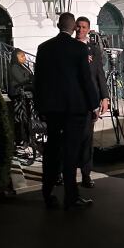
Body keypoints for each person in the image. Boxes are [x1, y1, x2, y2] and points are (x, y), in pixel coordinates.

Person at [34, 11, 99, 211]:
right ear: (72, 28)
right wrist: (93, 103)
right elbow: (86, 80)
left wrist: (39, 107)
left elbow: (38, 81)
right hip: (74, 109)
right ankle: (71, 198)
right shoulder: (78, 48)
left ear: (58, 25)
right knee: (71, 153)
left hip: (52, 109)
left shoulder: (44, 48)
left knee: (52, 150)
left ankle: (47, 193)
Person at [75, 16, 110, 189]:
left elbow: (99, 74)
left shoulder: (94, 49)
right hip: (73, 101)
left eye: (84, 27)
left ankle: (86, 175)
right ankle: (64, 173)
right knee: (71, 139)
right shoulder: (69, 46)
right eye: (78, 27)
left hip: (90, 101)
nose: (80, 30)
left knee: (87, 139)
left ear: (88, 29)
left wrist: (105, 97)